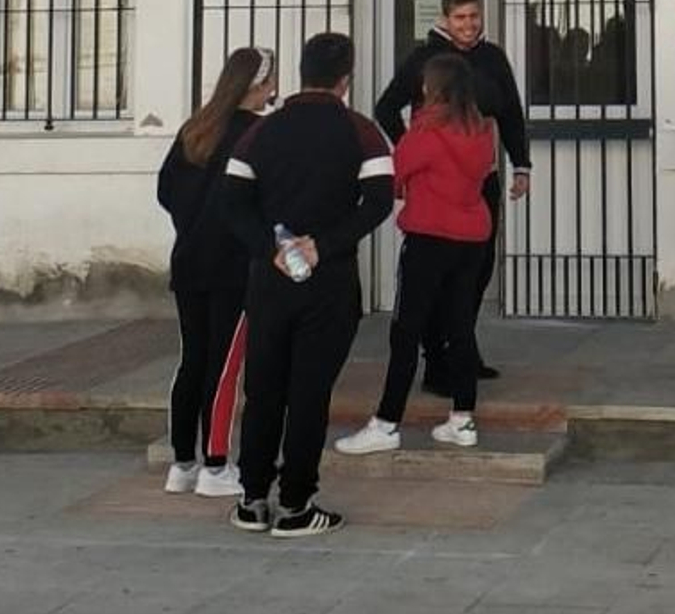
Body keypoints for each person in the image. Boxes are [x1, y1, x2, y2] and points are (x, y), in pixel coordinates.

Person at [221, 33, 394, 537]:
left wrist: (270, 249)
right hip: (330, 281)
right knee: (310, 394)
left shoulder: (260, 134)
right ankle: (296, 505)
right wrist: (325, 244)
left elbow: (232, 202)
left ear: (299, 71)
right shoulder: (362, 132)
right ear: (347, 78)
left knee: (264, 390)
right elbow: (380, 201)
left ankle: (252, 500)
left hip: (269, 280)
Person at [335, 53, 496, 455]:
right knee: (459, 327)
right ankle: (462, 418)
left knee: (406, 329)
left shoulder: (424, 132)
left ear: (433, 87)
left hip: (428, 236)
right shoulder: (482, 130)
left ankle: (387, 422)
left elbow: (396, 176)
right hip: (472, 235)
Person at [375, 0, 530, 389]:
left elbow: (510, 111)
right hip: (437, 185)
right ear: (445, 19)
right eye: (460, 17)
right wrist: (412, 144)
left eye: (474, 16)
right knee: (436, 274)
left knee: (476, 269)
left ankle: (462, 344)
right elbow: (385, 107)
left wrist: (522, 164)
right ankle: (436, 359)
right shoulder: (426, 59)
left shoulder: (492, 57)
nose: (469, 24)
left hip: (481, 178)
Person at [155, 46, 276, 498]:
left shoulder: (195, 129)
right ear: (259, 86)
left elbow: (166, 190)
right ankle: (217, 464)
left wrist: (192, 222)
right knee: (223, 368)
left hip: (189, 260)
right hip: (232, 266)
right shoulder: (260, 134)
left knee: (193, 359)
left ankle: (182, 461)